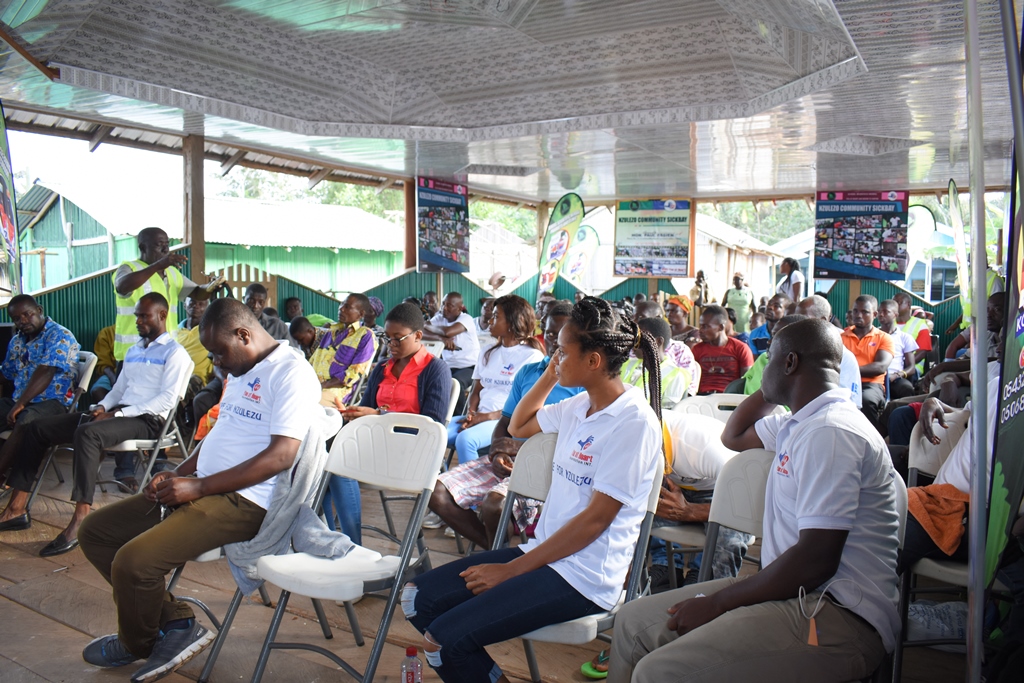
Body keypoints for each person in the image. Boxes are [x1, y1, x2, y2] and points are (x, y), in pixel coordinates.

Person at [608, 317, 900, 683]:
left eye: (771, 358)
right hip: (791, 591)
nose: (763, 366)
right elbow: (734, 435)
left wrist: (717, 604)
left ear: (790, 363)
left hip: (835, 614)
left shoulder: (831, 433)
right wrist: (773, 388)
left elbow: (816, 561)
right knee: (633, 623)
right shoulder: (799, 423)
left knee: (660, 672)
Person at [403, 297, 664, 683]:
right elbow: (518, 426)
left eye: (562, 350)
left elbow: (595, 522)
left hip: (584, 577)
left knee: (444, 641)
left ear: (593, 361)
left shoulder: (633, 423)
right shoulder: (580, 405)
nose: (554, 356)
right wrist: (550, 375)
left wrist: (509, 571)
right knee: (417, 598)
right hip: (544, 554)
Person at [75, 297, 321, 683]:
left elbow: (281, 456)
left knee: (133, 564)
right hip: (202, 486)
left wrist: (199, 486)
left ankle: (138, 641)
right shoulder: (241, 368)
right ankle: (172, 624)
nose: (216, 363)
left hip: (245, 502)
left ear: (243, 335)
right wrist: (178, 472)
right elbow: (220, 434)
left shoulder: (291, 374)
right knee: (95, 533)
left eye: (218, 353)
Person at [0, 293, 192, 557]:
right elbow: (118, 389)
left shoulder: (175, 353)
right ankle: (17, 508)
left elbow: (167, 400)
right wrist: (104, 407)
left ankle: (80, 518)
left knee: (87, 434)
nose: (136, 321)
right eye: (135, 315)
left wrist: (117, 415)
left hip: (148, 420)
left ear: (162, 315)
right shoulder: (135, 350)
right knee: (37, 428)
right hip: (118, 413)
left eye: (143, 316)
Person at [582, 411, 752, 678]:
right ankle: (648, 606)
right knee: (629, 511)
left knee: (730, 534)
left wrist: (690, 512)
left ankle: (705, 612)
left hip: (727, 495)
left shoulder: (706, 447)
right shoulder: (629, 437)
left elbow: (749, 504)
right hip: (676, 489)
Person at [427, 302, 582, 546]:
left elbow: (579, 440)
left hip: (551, 466)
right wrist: (497, 451)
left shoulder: (582, 382)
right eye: (550, 334)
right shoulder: (529, 372)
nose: (554, 342)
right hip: (511, 457)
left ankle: (497, 556)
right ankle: (496, 552)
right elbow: (506, 421)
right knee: (435, 491)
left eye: (563, 338)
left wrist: (519, 449)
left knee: (494, 505)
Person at [898, 330, 1002, 572]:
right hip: (940, 496)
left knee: (879, 545)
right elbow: (964, 413)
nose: (999, 347)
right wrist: (934, 402)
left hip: (974, 513)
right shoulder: (998, 385)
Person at [446, 295, 544, 465]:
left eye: (497, 316)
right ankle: (437, 481)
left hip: (503, 421)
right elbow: (476, 391)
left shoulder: (532, 356)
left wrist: (484, 417)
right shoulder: (487, 352)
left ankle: (468, 487)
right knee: (434, 433)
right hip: (479, 417)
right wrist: (471, 414)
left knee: (465, 440)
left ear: (514, 321)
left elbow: (525, 405)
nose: (490, 320)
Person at [0, 295, 80, 486]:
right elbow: (6, 373)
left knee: (26, 420)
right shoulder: (17, 341)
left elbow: (46, 370)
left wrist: (20, 404)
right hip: (21, 401)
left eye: (27, 314)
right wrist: (19, 403)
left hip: (54, 403)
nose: (23, 321)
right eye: (17, 318)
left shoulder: (59, 335)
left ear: (39, 310)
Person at [112, 227, 217, 361]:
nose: (165, 250)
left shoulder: (172, 273)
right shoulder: (129, 268)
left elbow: (197, 293)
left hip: (166, 353)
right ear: (143, 247)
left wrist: (211, 287)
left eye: (167, 245)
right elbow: (122, 286)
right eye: (159, 245)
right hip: (134, 355)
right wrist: (157, 265)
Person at [310, 293, 378, 407]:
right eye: (342, 304)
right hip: (314, 386)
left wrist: (321, 386)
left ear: (361, 314)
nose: (341, 308)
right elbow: (312, 361)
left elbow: (354, 375)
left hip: (336, 392)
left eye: (347, 307)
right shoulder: (330, 333)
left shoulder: (365, 335)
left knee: (306, 402)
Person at [796, 295, 863, 408]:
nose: (796, 325)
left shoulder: (843, 356)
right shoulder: (798, 346)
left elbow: (850, 404)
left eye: (802, 319)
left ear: (823, 320)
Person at [841, 295, 894, 430]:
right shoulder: (841, 337)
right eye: (855, 311)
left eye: (865, 312)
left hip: (871, 385)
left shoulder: (883, 338)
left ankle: (870, 440)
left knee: (866, 400)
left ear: (875, 314)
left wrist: (850, 369)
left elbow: (880, 367)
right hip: (844, 382)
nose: (858, 315)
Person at [423, 292, 480, 415]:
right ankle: (436, 415)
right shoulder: (439, 318)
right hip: (448, 366)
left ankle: (459, 417)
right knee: (431, 380)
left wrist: (429, 327)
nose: (444, 308)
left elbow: (448, 332)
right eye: (443, 304)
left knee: (455, 383)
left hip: (470, 367)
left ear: (460, 308)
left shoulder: (466, 319)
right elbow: (421, 331)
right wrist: (441, 339)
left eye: (449, 305)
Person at [620, 317, 693, 407]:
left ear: (658, 342)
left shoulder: (676, 375)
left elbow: (667, 414)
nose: (634, 344)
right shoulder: (626, 364)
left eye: (639, 339)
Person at [634, 300, 700, 393]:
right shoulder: (632, 349)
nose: (634, 322)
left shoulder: (680, 350)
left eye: (641, 318)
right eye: (633, 318)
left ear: (658, 318)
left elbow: (688, 390)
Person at [691, 305, 753, 395]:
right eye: (700, 326)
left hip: (729, 398)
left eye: (705, 326)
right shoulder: (697, 349)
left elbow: (746, 381)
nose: (700, 330)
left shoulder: (740, 348)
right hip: (702, 398)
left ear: (721, 327)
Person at [739, 314, 804, 395]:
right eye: (772, 335)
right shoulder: (763, 359)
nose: (769, 341)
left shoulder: (804, 373)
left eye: (778, 337)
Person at [877, 299, 919, 399]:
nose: (881, 314)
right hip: (876, 377)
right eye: (879, 311)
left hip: (894, 378)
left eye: (886, 312)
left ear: (895, 315)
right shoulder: (873, 335)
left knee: (906, 389)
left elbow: (911, 368)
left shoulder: (904, 337)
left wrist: (897, 375)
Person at [893, 292, 932, 371]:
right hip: (890, 366)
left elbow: (921, 353)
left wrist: (900, 365)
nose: (895, 306)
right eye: (893, 303)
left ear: (908, 304)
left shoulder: (921, 325)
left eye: (898, 302)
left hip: (911, 368)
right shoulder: (888, 323)